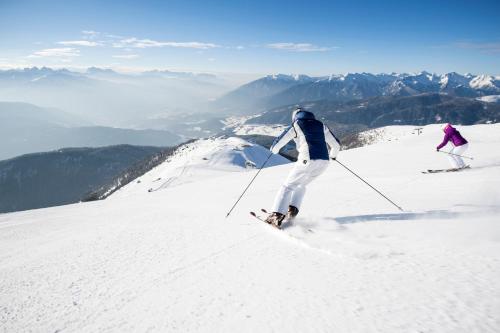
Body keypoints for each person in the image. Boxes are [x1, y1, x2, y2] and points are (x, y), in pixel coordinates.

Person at [265, 107, 341, 228]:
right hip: (324, 162)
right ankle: (292, 210)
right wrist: (333, 156)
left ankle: (276, 215)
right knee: (300, 185)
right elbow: (336, 145)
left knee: (288, 186)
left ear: (295, 117)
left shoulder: (297, 124)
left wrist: (273, 150)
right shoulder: (321, 125)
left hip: (307, 160)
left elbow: (279, 141)